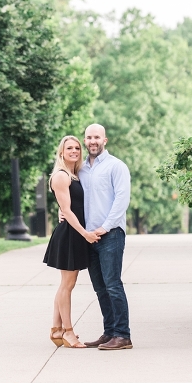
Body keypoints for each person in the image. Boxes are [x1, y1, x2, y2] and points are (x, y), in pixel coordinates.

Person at [43, 135, 102, 348]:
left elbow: (68, 206)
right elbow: (66, 210)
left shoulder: (73, 175)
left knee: (66, 285)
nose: (74, 151)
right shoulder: (60, 176)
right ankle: (68, 332)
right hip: (70, 234)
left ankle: (56, 329)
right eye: (69, 148)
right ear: (61, 152)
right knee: (67, 285)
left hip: (74, 232)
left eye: (77, 148)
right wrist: (85, 233)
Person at [80, 123, 133, 350]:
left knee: (113, 285)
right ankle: (109, 332)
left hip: (110, 235)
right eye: (89, 137)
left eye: (97, 137)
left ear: (105, 140)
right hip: (88, 237)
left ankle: (123, 335)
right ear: (85, 141)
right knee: (100, 288)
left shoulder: (116, 166)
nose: (93, 141)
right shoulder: (80, 169)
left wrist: (106, 226)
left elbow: (122, 200)